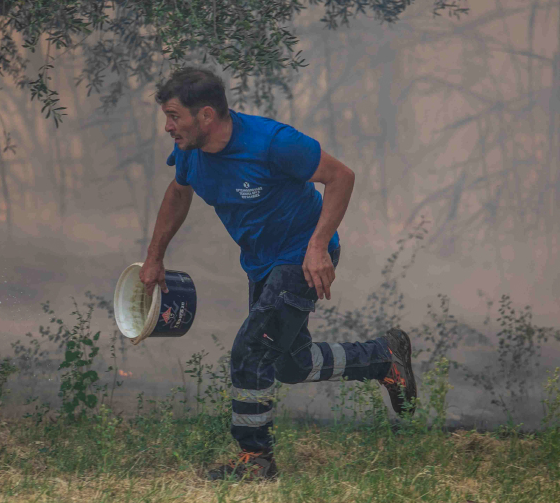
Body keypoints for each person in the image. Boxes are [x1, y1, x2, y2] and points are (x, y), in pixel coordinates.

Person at [139, 67, 416, 481]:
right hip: (261, 264)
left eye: (174, 116)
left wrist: (317, 247)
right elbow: (179, 192)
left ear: (207, 116)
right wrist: (154, 257)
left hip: (301, 257)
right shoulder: (189, 153)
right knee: (290, 365)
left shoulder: (272, 143)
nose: (168, 127)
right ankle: (382, 358)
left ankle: (256, 459)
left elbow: (341, 177)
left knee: (251, 350)